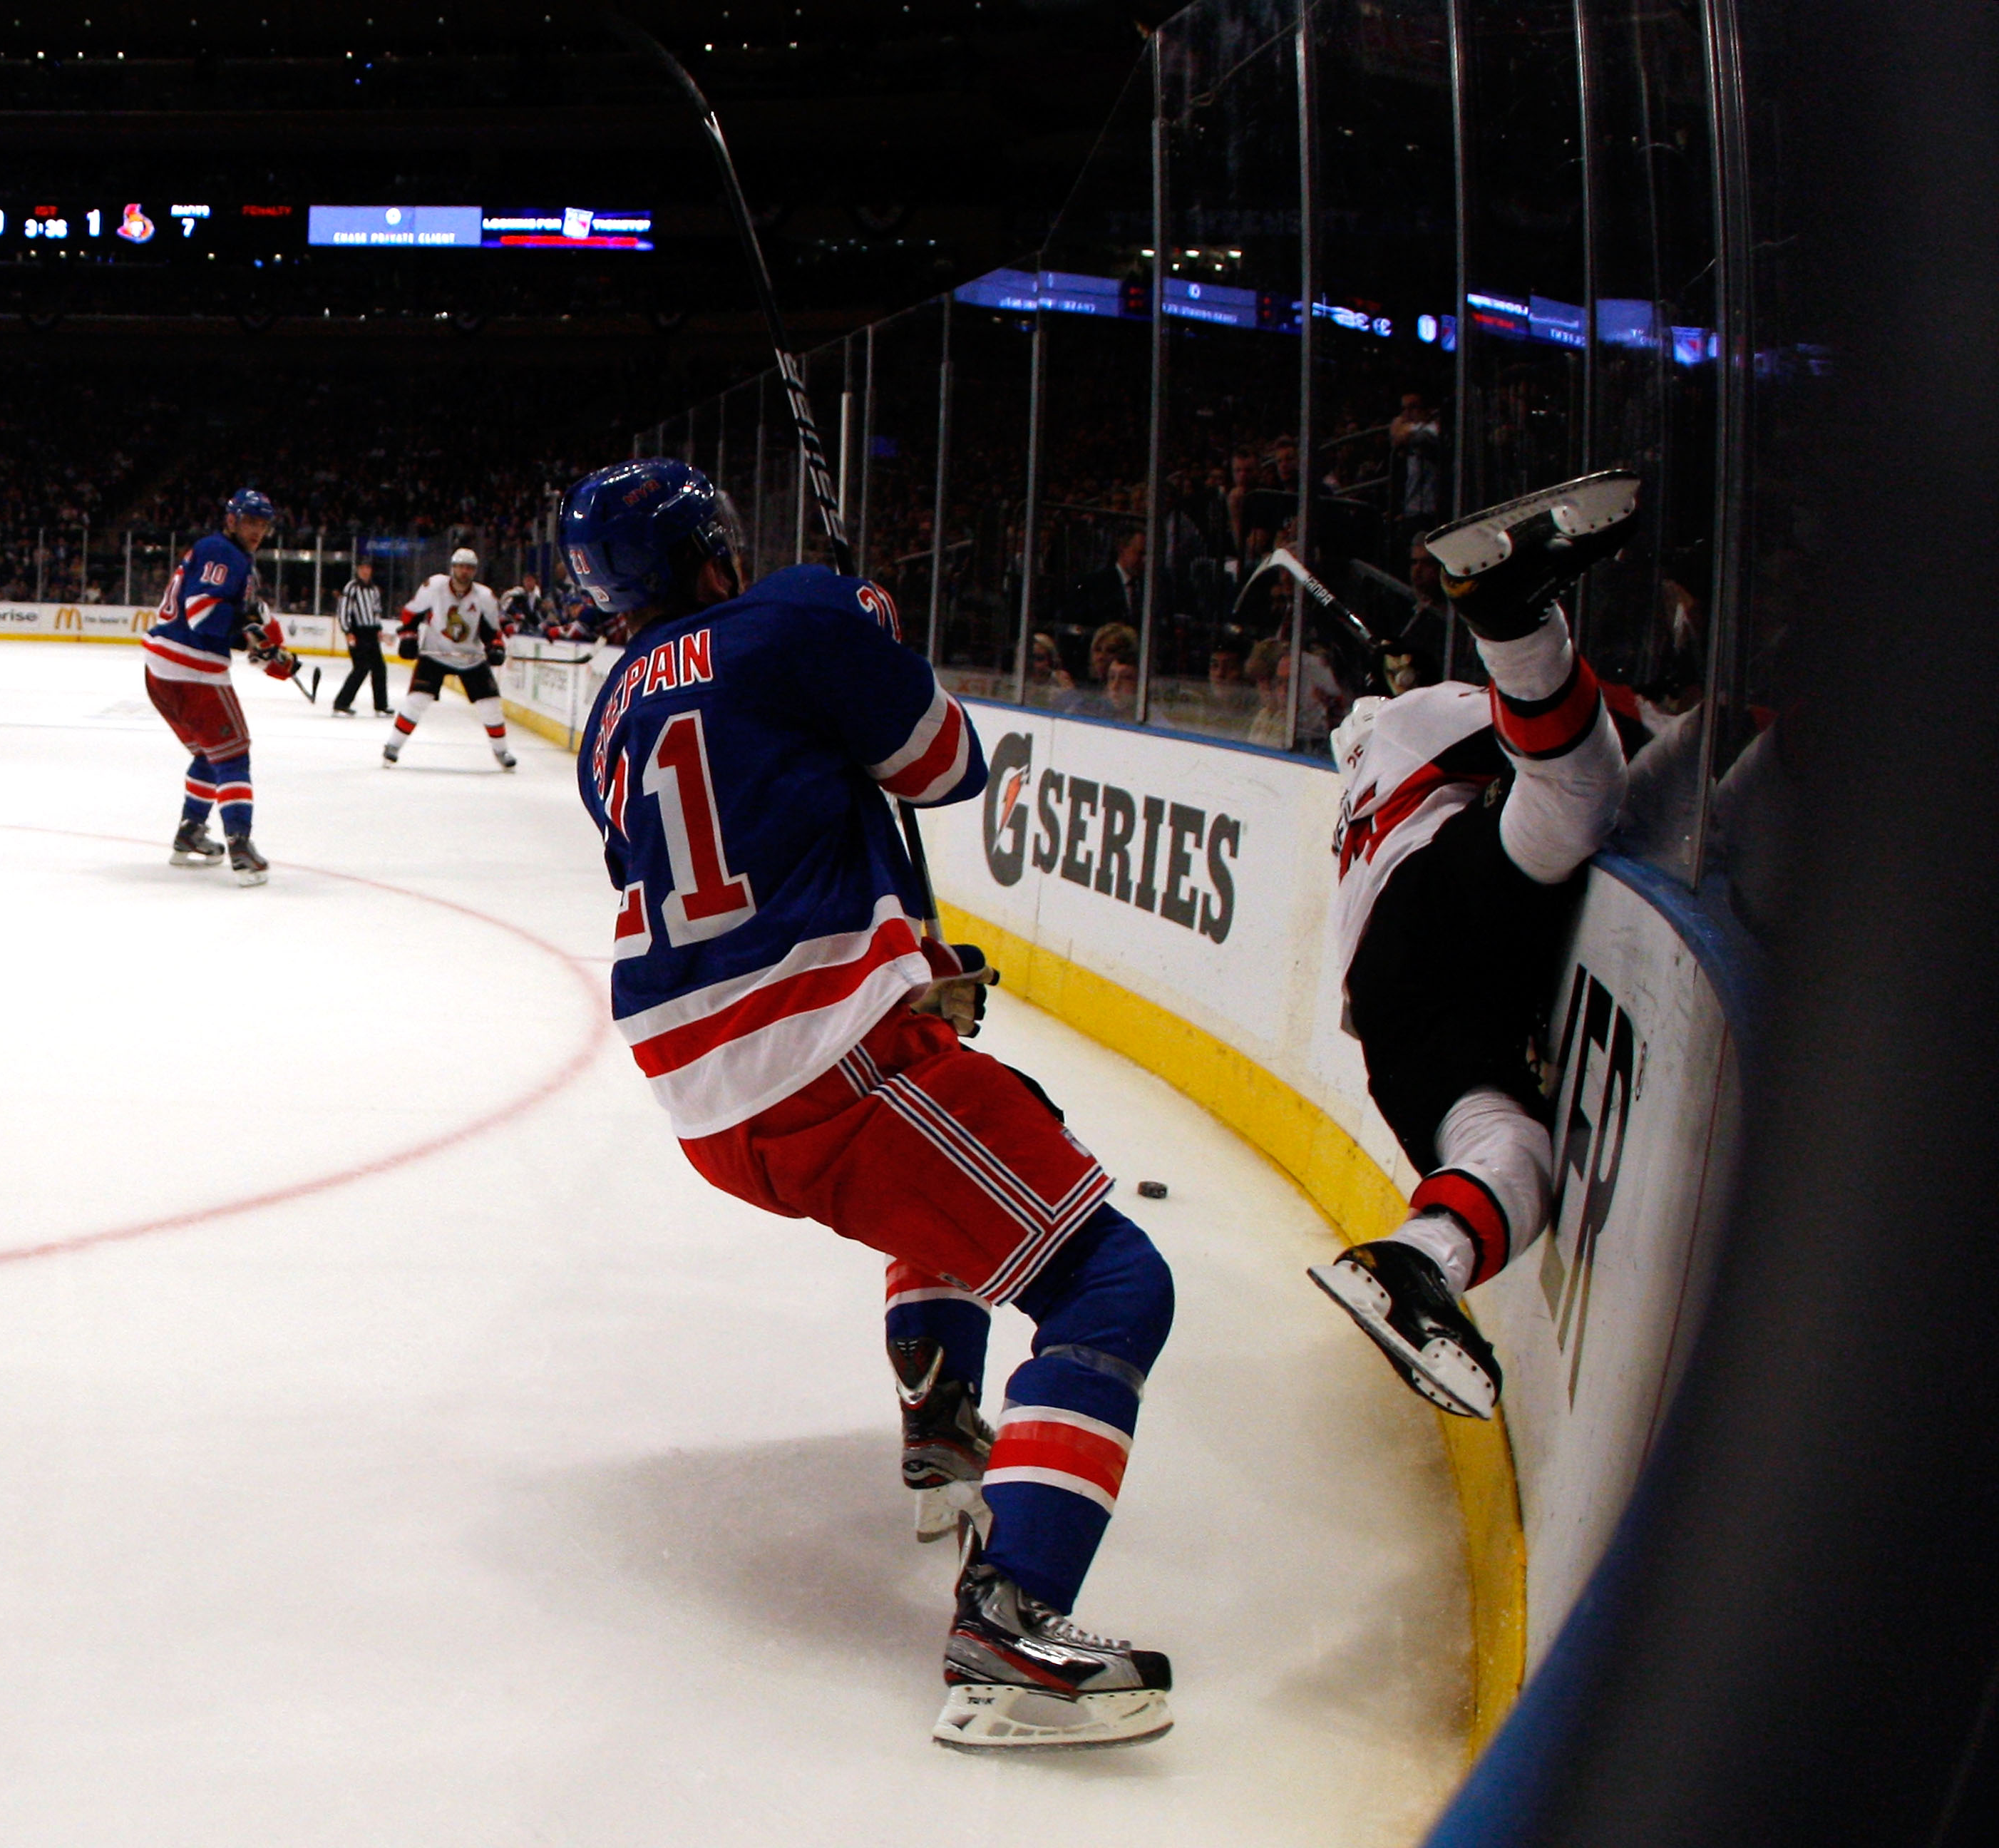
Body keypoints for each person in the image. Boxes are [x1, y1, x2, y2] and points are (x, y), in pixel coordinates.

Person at [561, 456, 1178, 1752]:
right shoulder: (792, 617)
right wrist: (871, 638)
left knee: (1001, 1123)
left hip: (710, 1100)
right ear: (713, 549)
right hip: (823, 1070)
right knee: (1111, 1286)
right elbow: (943, 765)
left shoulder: (610, 710)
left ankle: (944, 1420)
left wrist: (898, 962)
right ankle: (1008, 1627)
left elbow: (744, 842)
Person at [1308, 471, 1639, 1418]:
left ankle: (1415, 1269)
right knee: (1578, 798)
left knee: (1508, 1145)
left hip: (1388, 1004)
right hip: (1439, 900)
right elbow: (1588, 738)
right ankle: (1513, 619)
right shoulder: (1421, 716)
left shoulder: (1373, 752)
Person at [140, 488, 297, 887]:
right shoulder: (222, 552)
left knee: (210, 754)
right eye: (250, 521)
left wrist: (261, 646)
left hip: (160, 671)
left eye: (263, 523)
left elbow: (242, 618)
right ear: (231, 520)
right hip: (192, 672)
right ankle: (240, 848)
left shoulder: (229, 555)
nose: (257, 530)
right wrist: (249, 637)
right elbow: (203, 614)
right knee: (233, 755)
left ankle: (190, 832)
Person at [384, 545, 515, 770]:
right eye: (461, 567)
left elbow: (493, 631)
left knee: (490, 705)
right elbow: (411, 614)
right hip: (434, 653)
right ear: (453, 568)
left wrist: (495, 647)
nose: (465, 572)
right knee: (417, 700)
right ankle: (393, 746)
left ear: (474, 571)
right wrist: (408, 637)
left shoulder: (484, 596)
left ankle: (501, 751)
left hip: (471, 657)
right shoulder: (434, 586)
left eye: (469, 568)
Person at [332, 558, 391, 717]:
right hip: (358, 633)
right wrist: (348, 631)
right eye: (362, 568)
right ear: (358, 570)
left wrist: (379, 630)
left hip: (371, 633)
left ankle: (381, 705)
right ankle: (341, 703)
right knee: (361, 668)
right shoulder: (352, 587)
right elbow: (343, 610)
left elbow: (376, 611)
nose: (365, 571)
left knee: (379, 668)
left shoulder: (374, 590)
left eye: (368, 568)